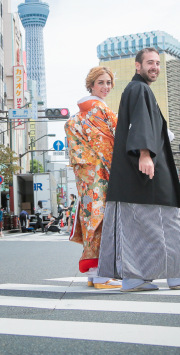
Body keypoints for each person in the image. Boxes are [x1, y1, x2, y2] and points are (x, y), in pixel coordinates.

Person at [97, 49, 180, 292]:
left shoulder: (136, 89)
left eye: (157, 63)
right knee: (170, 220)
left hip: (134, 173)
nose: (155, 67)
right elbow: (141, 122)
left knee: (137, 226)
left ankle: (134, 278)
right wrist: (145, 154)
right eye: (150, 63)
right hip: (149, 169)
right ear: (138, 66)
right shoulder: (139, 89)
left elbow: (140, 123)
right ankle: (178, 275)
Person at [64, 66, 120, 288]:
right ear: (91, 85)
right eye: (101, 83)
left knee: (90, 219)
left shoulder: (78, 115)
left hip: (85, 177)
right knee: (102, 219)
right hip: (100, 173)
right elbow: (122, 133)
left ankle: (93, 273)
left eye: (108, 83)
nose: (106, 87)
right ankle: (100, 275)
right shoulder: (99, 111)